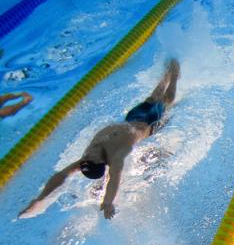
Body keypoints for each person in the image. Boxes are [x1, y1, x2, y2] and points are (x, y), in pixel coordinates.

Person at [19, 59, 180, 219]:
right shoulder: (116, 156)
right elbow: (114, 177)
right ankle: (174, 77)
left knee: (152, 98)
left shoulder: (87, 159)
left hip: (133, 117)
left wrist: (40, 199)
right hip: (150, 123)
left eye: (85, 158)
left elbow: (61, 175)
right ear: (100, 162)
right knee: (167, 101)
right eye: (89, 158)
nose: (86, 155)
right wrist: (108, 202)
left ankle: (166, 75)